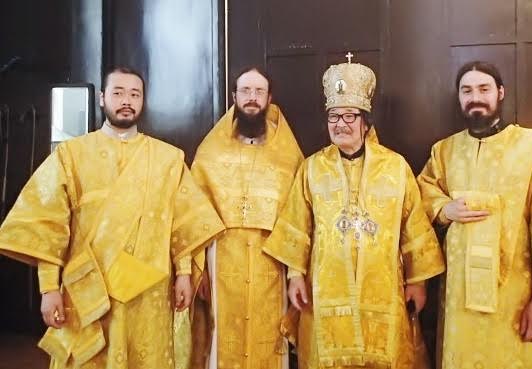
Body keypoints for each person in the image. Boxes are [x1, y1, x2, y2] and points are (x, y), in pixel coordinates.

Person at [0, 66, 225, 369]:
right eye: (118, 93)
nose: (126, 101)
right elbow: (48, 227)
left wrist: (184, 274)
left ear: (143, 101)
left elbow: (181, 222)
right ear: (103, 98)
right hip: (90, 290)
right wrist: (48, 288)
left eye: (135, 94)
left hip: (148, 293)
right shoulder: (72, 155)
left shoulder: (167, 159)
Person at [262, 57, 445, 368]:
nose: (341, 124)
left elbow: (413, 226)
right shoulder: (312, 168)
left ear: (365, 122)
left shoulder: (395, 167)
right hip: (325, 289)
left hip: (383, 290)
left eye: (349, 116)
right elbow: (297, 225)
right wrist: (295, 276)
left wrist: (418, 281)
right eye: (334, 116)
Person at [417, 60, 532, 369]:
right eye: (467, 90)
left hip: (516, 298)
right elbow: (421, 193)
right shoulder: (444, 151)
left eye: (484, 88)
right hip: (461, 300)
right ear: (459, 98)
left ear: (500, 93)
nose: (475, 96)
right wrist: (443, 209)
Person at [190, 66, 303, 369]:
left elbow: (298, 216)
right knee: (221, 336)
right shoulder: (211, 152)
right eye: (245, 91)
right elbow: (195, 213)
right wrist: (197, 269)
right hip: (223, 257)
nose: (252, 98)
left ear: (269, 98)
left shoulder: (288, 156)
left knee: (270, 337)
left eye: (259, 92)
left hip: (272, 258)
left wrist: (295, 273)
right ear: (234, 97)